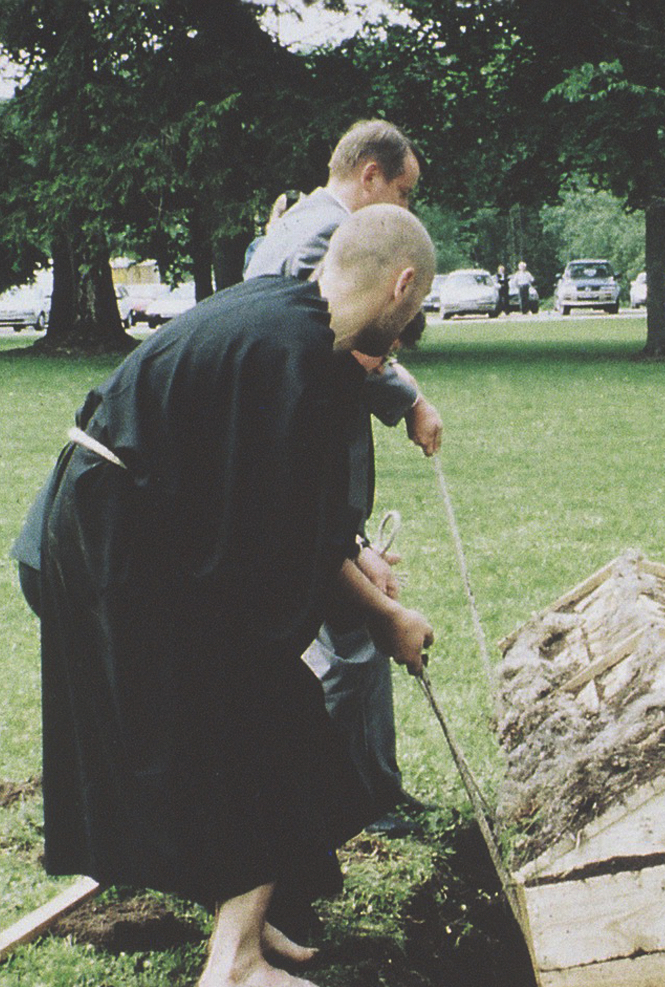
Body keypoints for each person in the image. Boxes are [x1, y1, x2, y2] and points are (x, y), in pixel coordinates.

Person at [20, 206, 437, 987]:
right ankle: (235, 962)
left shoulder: (288, 318)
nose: (412, 322)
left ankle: (244, 915)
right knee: (256, 711)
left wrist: (356, 566)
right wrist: (385, 619)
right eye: (416, 309)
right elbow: (289, 549)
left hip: (126, 525)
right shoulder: (294, 359)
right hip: (122, 543)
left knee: (256, 705)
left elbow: (295, 528)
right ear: (403, 285)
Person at [245, 119, 444, 827]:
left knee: (363, 635)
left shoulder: (292, 222)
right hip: (301, 469)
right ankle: (317, 802)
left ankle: (375, 790)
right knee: (352, 648)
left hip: (313, 474)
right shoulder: (324, 238)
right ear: (369, 176)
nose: (405, 211)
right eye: (403, 191)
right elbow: (342, 346)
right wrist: (410, 399)